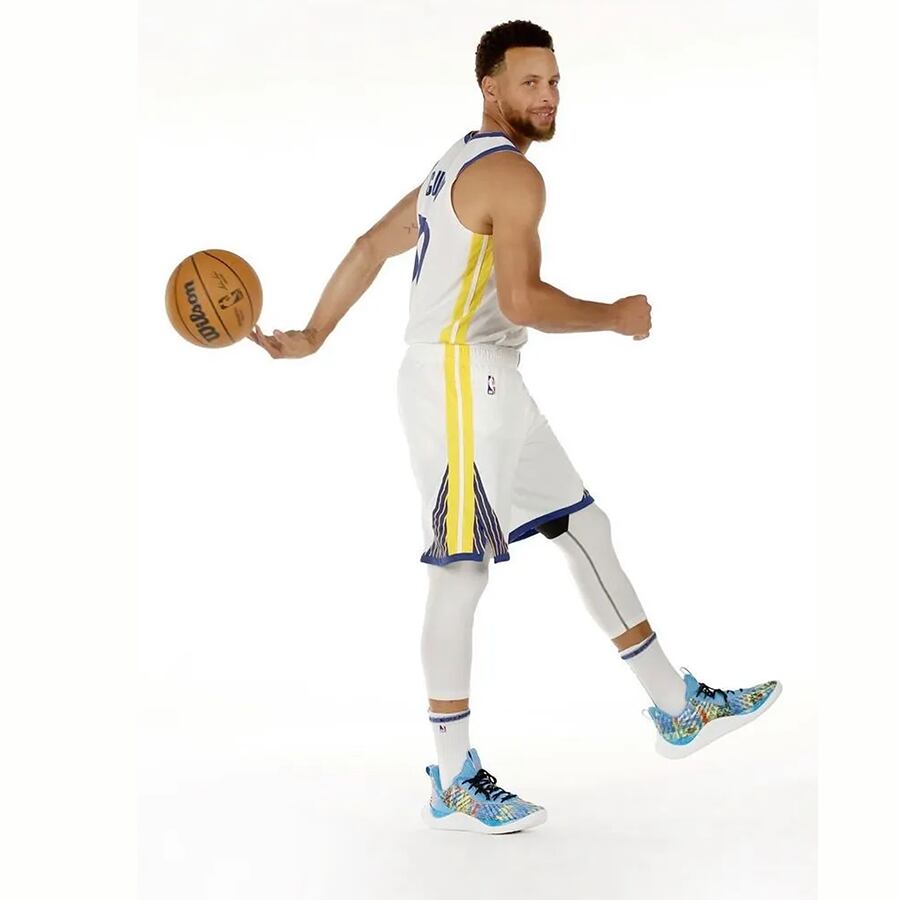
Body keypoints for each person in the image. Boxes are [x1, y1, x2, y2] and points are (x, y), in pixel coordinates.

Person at [248, 19, 782, 836]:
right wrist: (616, 316)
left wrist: (316, 335)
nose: (548, 96)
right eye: (530, 82)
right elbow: (524, 300)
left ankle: (678, 708)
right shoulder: (511, 176)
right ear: (489, 88)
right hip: (461, 380)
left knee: (582, 526)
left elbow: (369, 245)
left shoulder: (453, 164)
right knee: (461, 570)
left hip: (490, 377)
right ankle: (453, 777)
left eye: (555, 81)